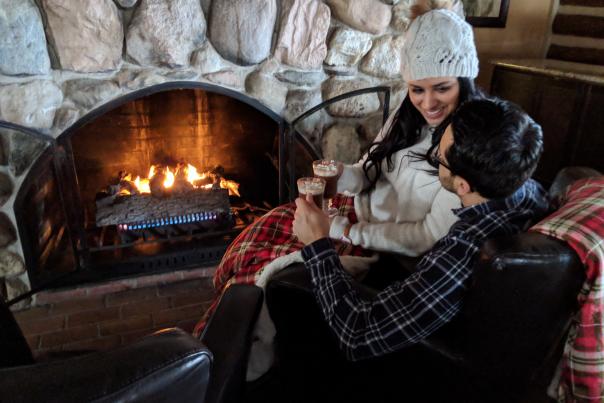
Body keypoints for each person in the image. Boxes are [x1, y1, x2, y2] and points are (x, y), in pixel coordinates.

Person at [193, 0, 482, 337]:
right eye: (417, 89)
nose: (427, 103)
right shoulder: (408, 113)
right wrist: (341, 174)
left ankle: (232, 354)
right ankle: (220, 342)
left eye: (442, 88)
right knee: (253, 237)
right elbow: (367, 170)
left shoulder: (466, 148)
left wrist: (342, 230)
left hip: (377, 244)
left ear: (465, 79)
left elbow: (425, 238)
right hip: (352, 214)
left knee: (261, 271)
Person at [292, 97, 549, 361]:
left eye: (439, 157)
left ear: (462, 186)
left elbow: (358, 335)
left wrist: (317, 245)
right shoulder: (528, 190)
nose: (435, 155)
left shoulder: (464, 249)